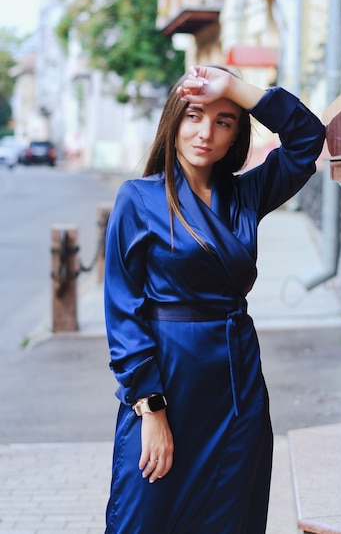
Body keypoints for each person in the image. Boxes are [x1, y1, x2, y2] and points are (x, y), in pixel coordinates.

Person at [104, 65, 325, 533]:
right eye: (195, 116)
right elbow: (123, 311)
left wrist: (235, 89)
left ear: (236, 135)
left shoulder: (246, 194)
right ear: (174, 122)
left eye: (224, 121)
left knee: (230, 513)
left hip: (236, 378)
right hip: (168, 376)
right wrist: (150, 408)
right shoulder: (137, 199)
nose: (205, 132)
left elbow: (307, 139)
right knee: (144, 512)